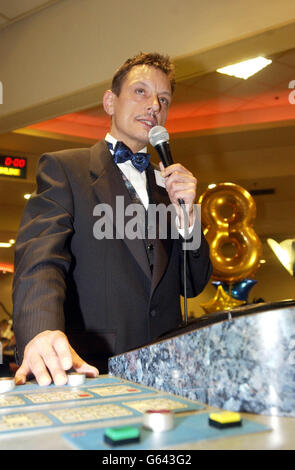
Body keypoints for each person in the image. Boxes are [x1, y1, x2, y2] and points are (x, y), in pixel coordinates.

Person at [12, 52, 212, 386]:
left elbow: (192, 284)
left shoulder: (169, 188)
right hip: (93, 366)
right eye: (141, 92)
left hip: (169, 371)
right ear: (109, 101)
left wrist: (189, 217)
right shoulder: (65, 169)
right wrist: (41, 330)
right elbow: (40, 261)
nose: (154, 106)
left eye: (163, 99)